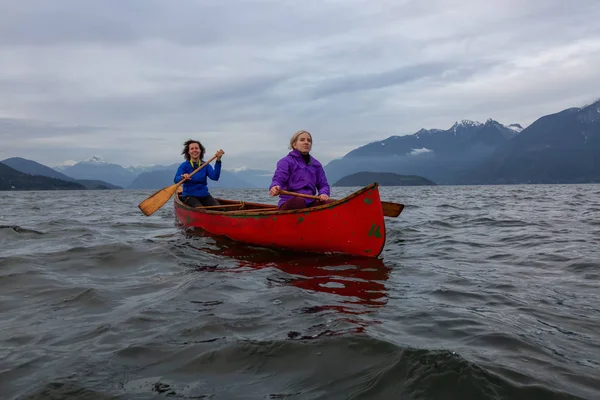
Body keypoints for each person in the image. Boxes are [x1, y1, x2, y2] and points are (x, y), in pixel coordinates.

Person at [269, 130, 332, 210]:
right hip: (289, 202)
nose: (306, 142)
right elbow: (279, 179)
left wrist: (323, 193)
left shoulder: (316, 164)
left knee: (329, 204)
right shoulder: (285, 162)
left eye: (309, 140)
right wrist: (275, 187)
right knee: (299, 202)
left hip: (310, 202)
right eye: (302, 140)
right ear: (294, 145)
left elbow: (323, 184)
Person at [174, 139, 224, 207]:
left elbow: (215, 177)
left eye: (196, 148)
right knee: (199, 208)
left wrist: (218, 160)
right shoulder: (184, 165)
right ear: (188, 152)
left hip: (204, 195)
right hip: (189, 196)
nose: (194, 150)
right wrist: (182, 177)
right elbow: (176, 179)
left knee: (219, 208)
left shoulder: (205, 165)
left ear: (200, 151)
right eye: (192, 149)